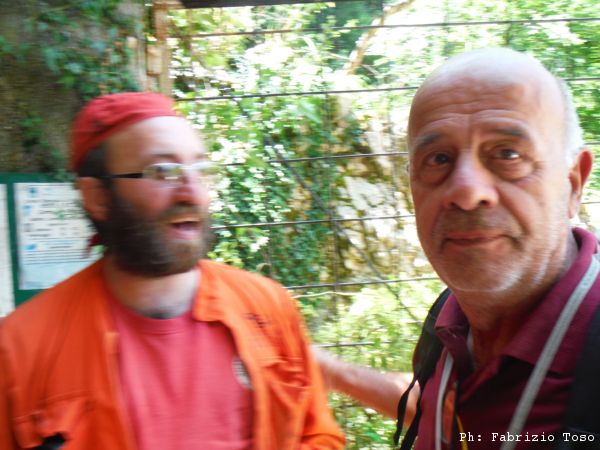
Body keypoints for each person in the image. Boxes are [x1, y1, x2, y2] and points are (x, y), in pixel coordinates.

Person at [0, 92, 345, 450]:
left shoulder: (268, 306)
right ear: (97, 197)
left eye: (201, 170)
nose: (192, 193)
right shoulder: (20, 348)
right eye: (162, 172)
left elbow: (318, 435)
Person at [315, 47, 597, 449]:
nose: (465, 192)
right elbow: (448, 419)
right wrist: (329, 370)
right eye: (438, 158)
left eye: (508, 154)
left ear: (573, 183)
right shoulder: (449, 325)